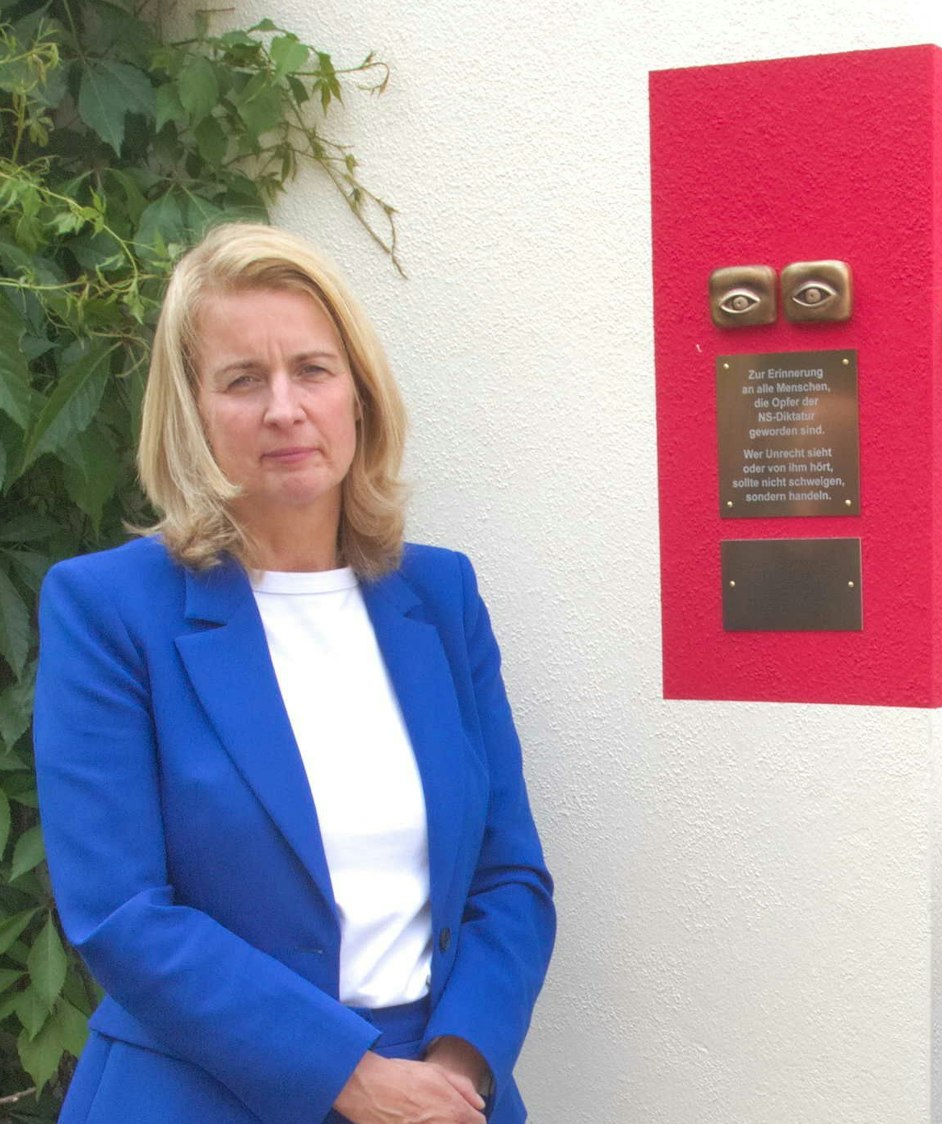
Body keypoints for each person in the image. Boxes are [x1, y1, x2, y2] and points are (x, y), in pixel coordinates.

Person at [34, 223, 556, 1124]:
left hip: (442, 1090)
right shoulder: (109, 608)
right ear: (191, 413)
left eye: (312, 370)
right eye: (242, 381)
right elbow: (121, 912)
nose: (285, 408)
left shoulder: (440, 595)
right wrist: (352, 1080)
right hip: (197, 1091)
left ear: (358, 394)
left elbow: (509, 875)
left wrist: (457, 1072)